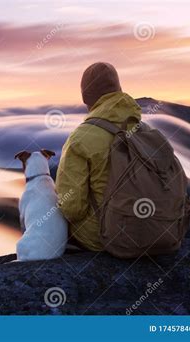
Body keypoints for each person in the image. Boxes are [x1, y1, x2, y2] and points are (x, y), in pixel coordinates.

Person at [55, 62, 142, 251]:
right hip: (151, 227)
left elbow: (72, 208)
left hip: (104, 237)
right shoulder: (142, 129)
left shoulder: (80, 139)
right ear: (119, 89)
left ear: (85, 96)